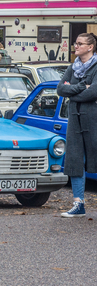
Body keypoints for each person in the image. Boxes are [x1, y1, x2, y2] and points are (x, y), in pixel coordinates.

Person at [56, 32, 97, 217]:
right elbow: (60, 89)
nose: (76, 46)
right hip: (74, 120)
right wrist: (81, 87)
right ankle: (78, 204)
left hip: (93, 120)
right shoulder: (72, 68)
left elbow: (93, 93)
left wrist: (72, 92)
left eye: (80, 43)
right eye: (75, 43)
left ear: (91, 47)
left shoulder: (96, 67)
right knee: (74, 161)